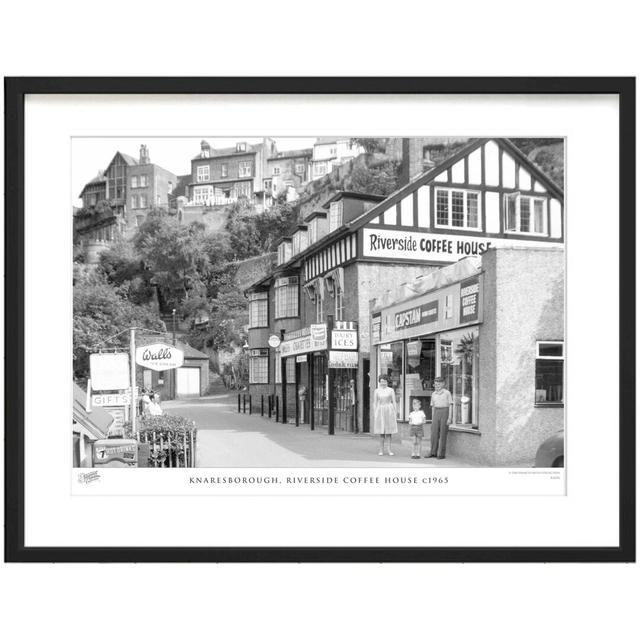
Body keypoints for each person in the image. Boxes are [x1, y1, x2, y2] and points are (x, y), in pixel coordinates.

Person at [426, 376, 453, 459]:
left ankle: (441, 454)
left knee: (443, 433)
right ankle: (433, 452)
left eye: (439, 384)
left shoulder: (447, 393)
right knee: (434, 433)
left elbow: (450, 405)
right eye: (436, 384)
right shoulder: (433, 394)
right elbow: (433, 406)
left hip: (445, 411)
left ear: (443, 384)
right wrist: (433, 418)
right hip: (436, 412)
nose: (437, 385)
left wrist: (449, 418)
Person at [373, 374, 398, 456]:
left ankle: (389, 449)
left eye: (385, 381)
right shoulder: (376, 391)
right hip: (381, 410)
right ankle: (381, 450)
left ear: (387, 382)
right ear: (379, 382)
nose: (383, 383)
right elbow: (375, 402)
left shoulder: (391, 390)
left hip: (389, 410)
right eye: (382, 381)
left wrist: (395, 411)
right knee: (382, 432)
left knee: (389, 432)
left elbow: (394, 401)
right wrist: (375, 412)